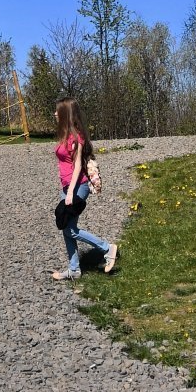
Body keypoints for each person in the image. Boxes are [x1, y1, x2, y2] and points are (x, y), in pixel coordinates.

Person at [51, 97, 117, 281]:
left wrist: (71, 192)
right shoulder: (64, 135)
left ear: (66, 114)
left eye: (58, 111)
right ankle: (74, 269)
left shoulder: (77, 136)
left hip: (78, 187)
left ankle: (107, 248)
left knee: (70, 229)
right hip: (67, 186)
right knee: (67, 226)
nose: (55, 113)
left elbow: (78, 165)